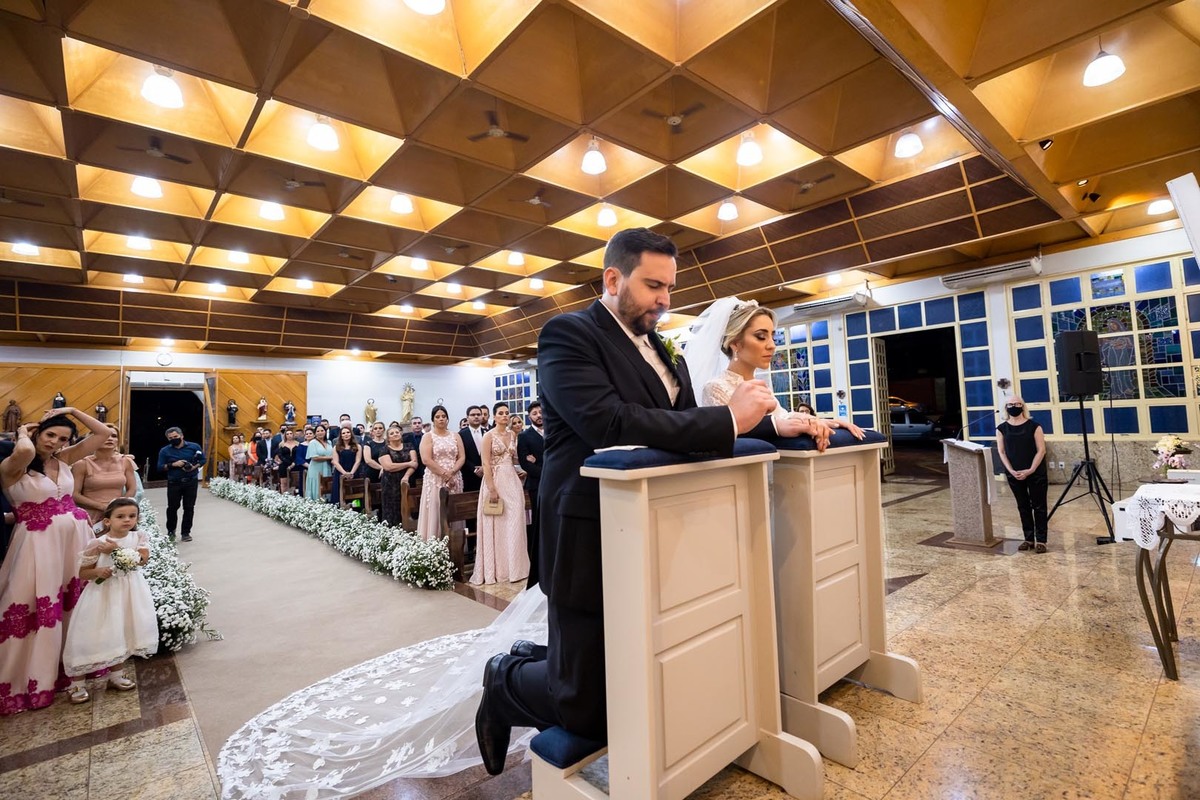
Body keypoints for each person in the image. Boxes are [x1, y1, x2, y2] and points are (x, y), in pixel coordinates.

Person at [473, 228, 776, 774]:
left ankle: (545, 662)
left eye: (670, 287)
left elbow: (680, 426)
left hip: (652, 522)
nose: (665, 299)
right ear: (613, 279)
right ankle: (507, 680)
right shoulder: (567, 334)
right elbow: (608, 421)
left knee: (637, 663)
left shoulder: (664, 347)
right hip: (585, 524)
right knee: (585, 710)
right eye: (653, 285)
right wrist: (729, 419)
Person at [0, 405, 113, 714]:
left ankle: (72, 666)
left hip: (73, 542)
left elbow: (103, 433)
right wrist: (24, 433)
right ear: (38, 433)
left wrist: (73, 410)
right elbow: (24, 450)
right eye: (50, 435)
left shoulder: (63, 460)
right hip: (39, 545)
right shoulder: (15, 465)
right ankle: (32, 678)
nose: (55, 443)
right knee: (37, 601)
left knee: (74, 603)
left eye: (63, 439)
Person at [687, 297, 833, 448]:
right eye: (761, 337)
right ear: (735, 343)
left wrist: (818, 421)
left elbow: (783, 416)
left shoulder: (761, 386)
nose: (772, 345)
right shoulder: (715, 388)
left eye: (772, 336)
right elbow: (731, 432)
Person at [61, 498, 157, 703]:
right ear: (107, 521)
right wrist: (97, 571)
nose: (127, 520)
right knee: (93, 633)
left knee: (120, 630)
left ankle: (116, 675)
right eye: (120, 516)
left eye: (132, 516)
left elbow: (141, 560)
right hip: (102, 594)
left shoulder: (139, 537)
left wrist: (114, 552)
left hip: (130, 592)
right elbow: (82, 572)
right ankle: (77, 683)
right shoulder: (97, 543)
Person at [470, 403, 528, 586]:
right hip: (495, 480)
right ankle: (499, 569)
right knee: (498, 524)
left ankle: (516, 567)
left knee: (516, 521)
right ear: (494, 417)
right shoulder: (488, 436)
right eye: (500, 413)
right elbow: (486, 463)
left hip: (512, 480)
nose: (504, 416)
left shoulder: (513, 435)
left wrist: (524, 465)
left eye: (506, 413)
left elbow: (515, 458)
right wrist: (492, 488)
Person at [996, 396, 1048, 553]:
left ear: (1023, 406)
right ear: (1006, 408)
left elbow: (1041, 450)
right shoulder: (1001, 428)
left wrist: (1031, 469)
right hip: (1014, 473)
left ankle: (1041, 540)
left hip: (1035, 472)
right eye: (1010, 404)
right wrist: (1011, 470)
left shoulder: (1035, 426)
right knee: (1023, 506)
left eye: (1017, 404)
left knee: (1039, 506)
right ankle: (1028, 539)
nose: (1014, 406)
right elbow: (1002, 451)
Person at [417, 405, 464, 542]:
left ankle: (455, 545)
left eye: (443, 416)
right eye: (437, 417)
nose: (441, 419)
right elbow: (426, 459)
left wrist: (452, 472)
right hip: (435, 477)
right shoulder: (428, 436)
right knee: (436, 509)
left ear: (448, 419)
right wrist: (445, 474)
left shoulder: (455, 435)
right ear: (433, 420)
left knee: (453, 510)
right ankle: (434, 544)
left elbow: (461, 457)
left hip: (455, 477)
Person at [72, 424, 136, 525]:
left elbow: (132, 489)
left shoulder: (125, 461)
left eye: (114, 436)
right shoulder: (81, 464)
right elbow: (75, 494)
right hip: (91, 516)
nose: (109, 439)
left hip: (118, 515)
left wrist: (119, 507)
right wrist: (104, 507)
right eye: (105, 436)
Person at [157, 426, 205, 542]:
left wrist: (194, 466)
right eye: (171, 438)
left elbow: (202, 459)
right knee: (172, 508)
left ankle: (186, 532)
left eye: (176, 437)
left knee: (189, 507)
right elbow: (159, 467)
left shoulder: (194, 447)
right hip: (174, 482)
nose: (174, 439)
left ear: (182, 436)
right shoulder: (165, 451)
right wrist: (173, 464)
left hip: (190, 481)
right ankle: (171, 531)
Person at [516, 401, 544, 588]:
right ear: (529, 416)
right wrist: (545, 472)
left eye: (541, 412)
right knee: (537, 519)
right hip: (537, 482)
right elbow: (526, 463)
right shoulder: (525, 436)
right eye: (534, 413)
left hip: (556, 480)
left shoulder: (553, 430)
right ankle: (538, 555)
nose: (539, 415)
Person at [378, 424, 417, 527]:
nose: (395, 434)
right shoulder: (384, 449)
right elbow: (389, 467)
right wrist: (408, 464)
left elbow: (415, 463)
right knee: (392, 509)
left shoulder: (409, 446)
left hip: (407, 480)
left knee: (408, 507)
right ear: (388, 438)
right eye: (392, 433)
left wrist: (406, 476)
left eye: (397, 432)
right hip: (390, 484)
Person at [331, 426, 362, 506]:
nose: (346, 434)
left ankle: (356, 511)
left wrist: (351, 473)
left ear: (351, 434)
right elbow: (335, 462)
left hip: (354, 472)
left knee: (355, 494)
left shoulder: (358, 446)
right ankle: (339, 510)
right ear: (341, 436)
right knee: (339, 493)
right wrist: (344, 473)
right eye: (343, 433)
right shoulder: (336, 447)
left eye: (348, 432)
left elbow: (358, 461)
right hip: (340, 473)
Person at [304, 425, 334, 501]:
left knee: (326, 483)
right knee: (317, 484)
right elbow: (314, 457)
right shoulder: (312, 443)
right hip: (316, 467)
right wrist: (330, 458)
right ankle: (316, 502)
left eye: (322, 430)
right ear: (315, 433)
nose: (320, 433)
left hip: (327, 466)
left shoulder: (329, 442)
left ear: (325, 431)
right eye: (318, 431)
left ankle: (327, 501)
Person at [276, 429, 297, 495]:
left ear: (293, 434)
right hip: (284, 464)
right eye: (287, 434)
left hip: (295, 464)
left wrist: (293, 463)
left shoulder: (298, 443)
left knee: (295, 482)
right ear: (285, 435)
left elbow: (299, 454)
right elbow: (280, 455)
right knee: (283, 482)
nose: (289, 435)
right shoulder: (281, 444)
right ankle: (284, 497)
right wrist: (287, 462)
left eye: (291, 433)